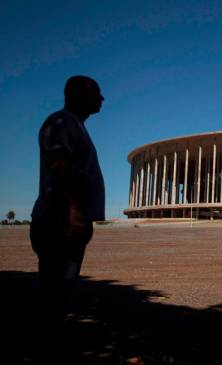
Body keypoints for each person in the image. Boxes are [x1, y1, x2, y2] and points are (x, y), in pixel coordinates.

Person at [30, 75, 105, 325]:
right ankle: (48, 344)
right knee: (55, 287)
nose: (102, 98)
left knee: (63, 288)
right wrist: (73, 210)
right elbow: (58, 165)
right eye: (96, 93)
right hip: (58, 219)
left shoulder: (76, 125)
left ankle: (54, 337)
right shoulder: (62, 123)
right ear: (79, 95)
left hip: (70, 219)